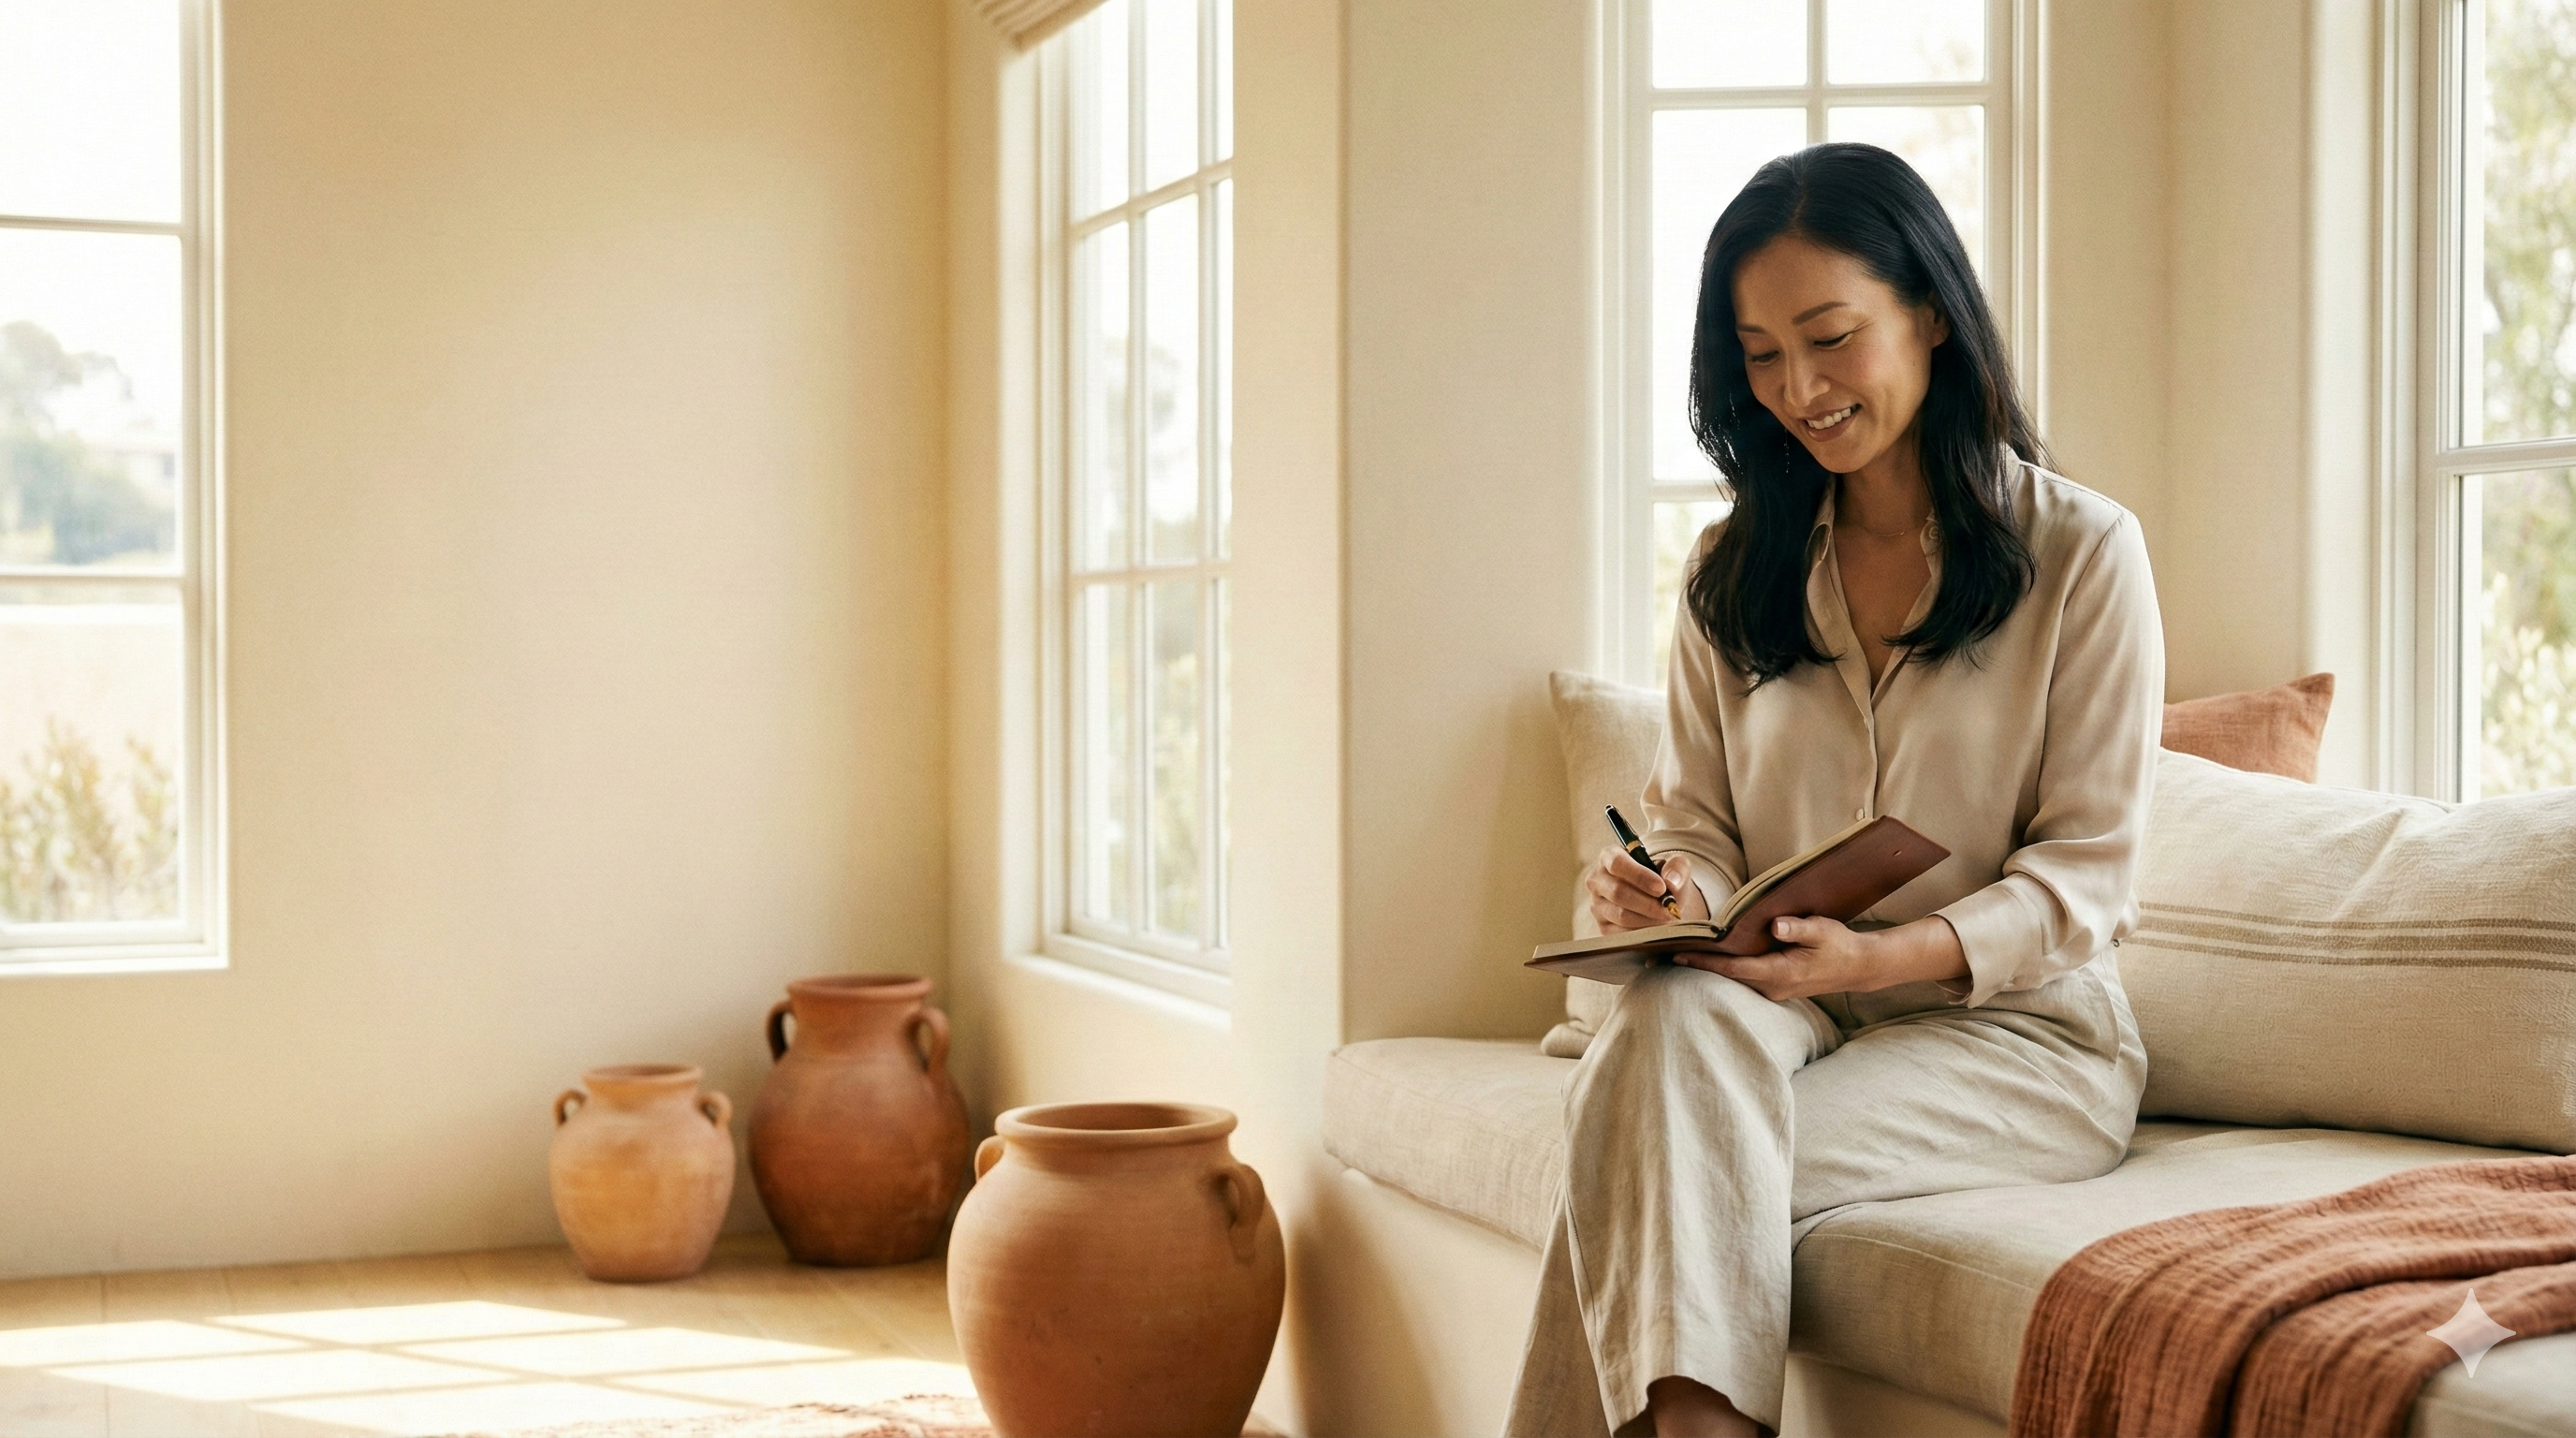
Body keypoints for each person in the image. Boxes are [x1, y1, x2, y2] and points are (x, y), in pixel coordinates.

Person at [1502, 143, 2163, 1438]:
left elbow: (2089, 873)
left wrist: (1881, 957)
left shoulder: (2085, 555)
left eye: (1830, 336)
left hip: (2020, 1042)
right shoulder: (1730, 571)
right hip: (1777, 1015)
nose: (1799, 389)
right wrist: (1661, 888)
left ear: (1929, 310)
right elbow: (1696, 825)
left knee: (1651, 1146)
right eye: (1759, 354)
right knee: (1665, 1050)